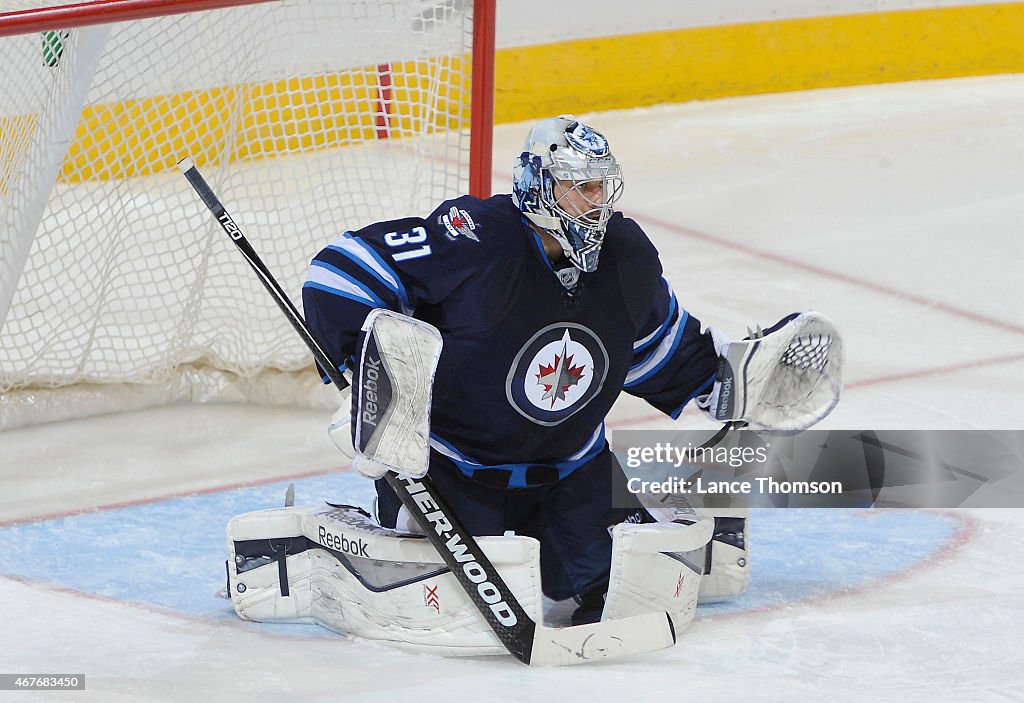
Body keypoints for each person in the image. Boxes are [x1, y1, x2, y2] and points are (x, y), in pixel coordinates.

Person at [302, 115, 728, 625]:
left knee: (632, 596)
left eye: (600, 185)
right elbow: (340, 270)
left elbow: (656, 345)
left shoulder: (625, 257)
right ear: (540, 185)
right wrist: (370, 383)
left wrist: (726, 383)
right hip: (451, 474)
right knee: (448, 608)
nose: (597, 201)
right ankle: (330, 542)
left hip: (574, 474)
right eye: (580, 186)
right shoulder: (476, 241)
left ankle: (615, 525)